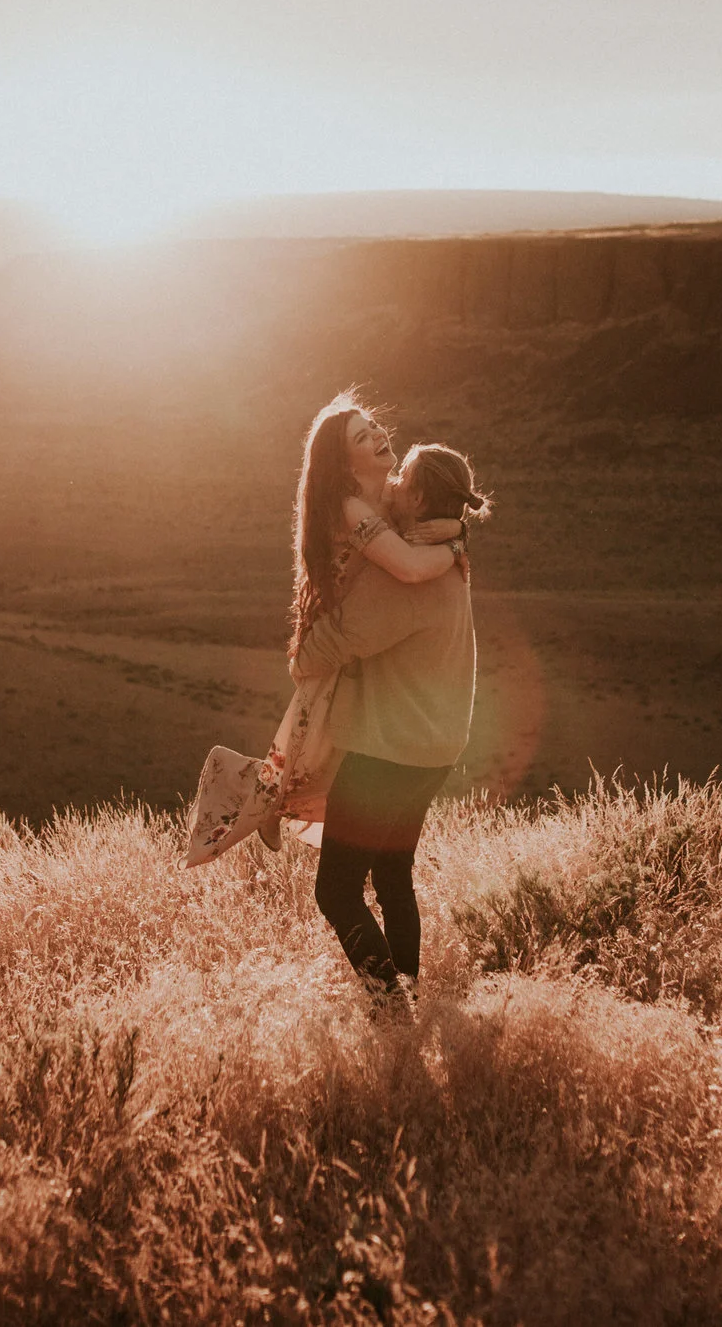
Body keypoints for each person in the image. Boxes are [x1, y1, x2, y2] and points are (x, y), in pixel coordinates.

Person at [287, 404, 489, 1000]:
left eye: (404, 482)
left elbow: (340, 642)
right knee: (393, 872)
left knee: (336, 892)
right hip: (436, 748)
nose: (393, 482)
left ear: (421, 502)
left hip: (389, 754)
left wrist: (301, 659)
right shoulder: (448, 558)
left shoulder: (404, 577)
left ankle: (392, 1010)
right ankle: (412, 995)